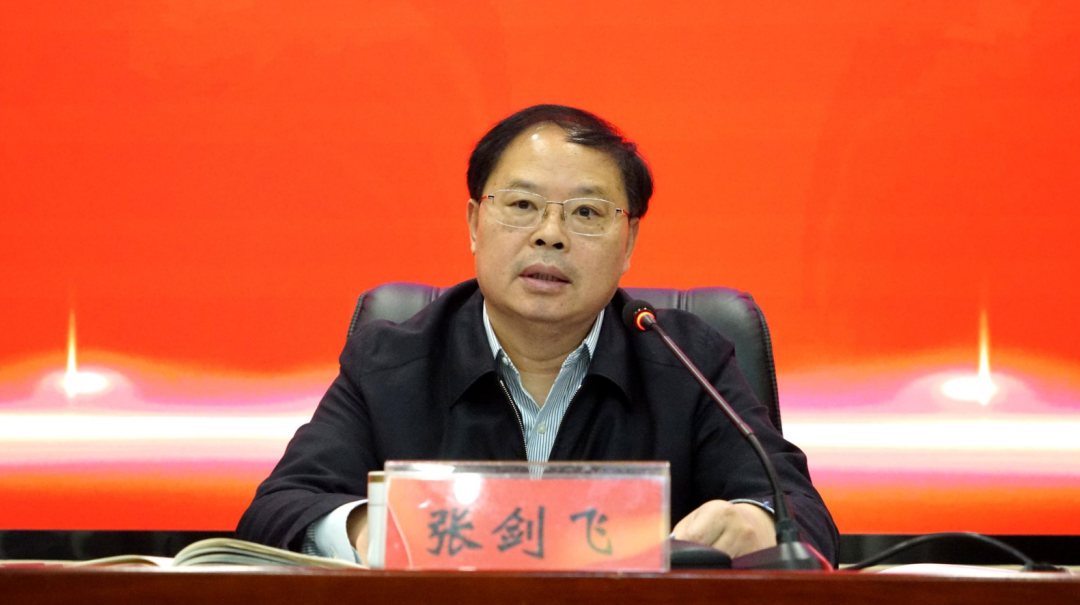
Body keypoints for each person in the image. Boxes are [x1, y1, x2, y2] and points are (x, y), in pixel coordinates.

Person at [236, 104, 839, 564]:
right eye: (522, 205)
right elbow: (276, 513)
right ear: (475, 223)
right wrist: (377, 530)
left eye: (586, 213)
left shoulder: (686, 358)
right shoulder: (390, 360)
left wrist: (757, 523)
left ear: (628, 242)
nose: (550, 234)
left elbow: (805, 517)